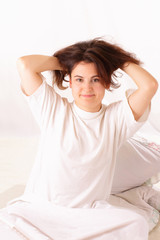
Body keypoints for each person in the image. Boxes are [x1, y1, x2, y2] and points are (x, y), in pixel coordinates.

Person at [0, 38, 158, 239]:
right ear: (70, 81)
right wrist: (71, 61)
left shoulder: (116, 119)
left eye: (96, 79)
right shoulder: (53, 109)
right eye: (79, 79)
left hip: (87, 215)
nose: (87, 88)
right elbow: (25, 64)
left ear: (106, 82)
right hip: (40, 209)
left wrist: (111, 59)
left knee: (135, 223)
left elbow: (149, 85)